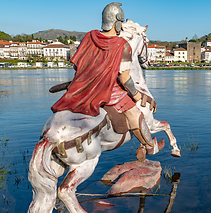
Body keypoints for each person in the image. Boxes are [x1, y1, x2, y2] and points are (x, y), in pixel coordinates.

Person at [51, 2, 164, 160]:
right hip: (108, 90)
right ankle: (150, 147)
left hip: (83, 86)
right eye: (121, 22)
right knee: (135, 114)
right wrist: (137, 96)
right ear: (117, 22)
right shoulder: (123, 46)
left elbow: (78, 65)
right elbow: (124, 78)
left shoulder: (89, 36)